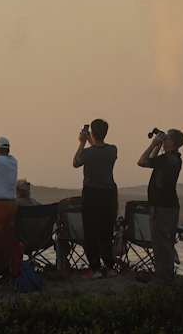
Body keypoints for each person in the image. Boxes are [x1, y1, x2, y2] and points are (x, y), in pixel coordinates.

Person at [73, 119, 119, 278]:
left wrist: (81, 143)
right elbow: (99, 149)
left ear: (92, 133)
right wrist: (91, 139)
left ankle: (95, 268)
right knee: (107, 230)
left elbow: (75, 163)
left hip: (92, 193)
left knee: (91, 231)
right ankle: (110, 266)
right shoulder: (113, 150)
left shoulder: (87, 152)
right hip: (109, 193)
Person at [137, 128, 183, 281]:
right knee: (166, 242)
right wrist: (158, 146)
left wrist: (153, 144)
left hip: (162, 206)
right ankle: (166, 275)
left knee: (160, 242)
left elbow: (143, 161)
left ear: (171, 142)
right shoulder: (172, 158)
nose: (163, 140)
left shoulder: (168, 159)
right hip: (170, 205)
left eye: (166, 138)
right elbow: (153, 160)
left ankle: (163, 277)